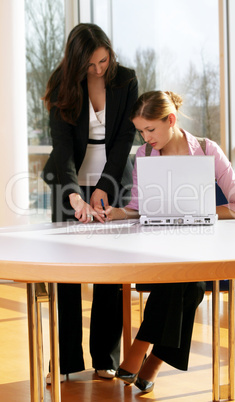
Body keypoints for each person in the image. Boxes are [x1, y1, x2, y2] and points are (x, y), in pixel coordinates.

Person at [100, 90, 235, 393]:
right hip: (161, 249)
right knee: (187, 284)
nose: (145, 137)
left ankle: (140, 350)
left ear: (171, 120)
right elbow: (139, 207)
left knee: (185, 280)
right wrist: (115, 213)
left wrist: (199, 210)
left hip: (202, 249)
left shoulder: (208, 150)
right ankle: (153, 360)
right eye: (141, 131)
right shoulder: (145, 155)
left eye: (150, 129)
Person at [41, 23, 138, 383]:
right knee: (65, 273)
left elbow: (126, 137)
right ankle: (66, 362)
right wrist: (74, 194)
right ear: (76, 62)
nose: (98, 70)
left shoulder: (125, 79)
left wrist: (103, 188)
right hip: (68, 182)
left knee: (108, 272)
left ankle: (105, 358)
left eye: (103, 60)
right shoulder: (61, 83)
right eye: (91, 65)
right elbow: (62, 148)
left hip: (112, 178)